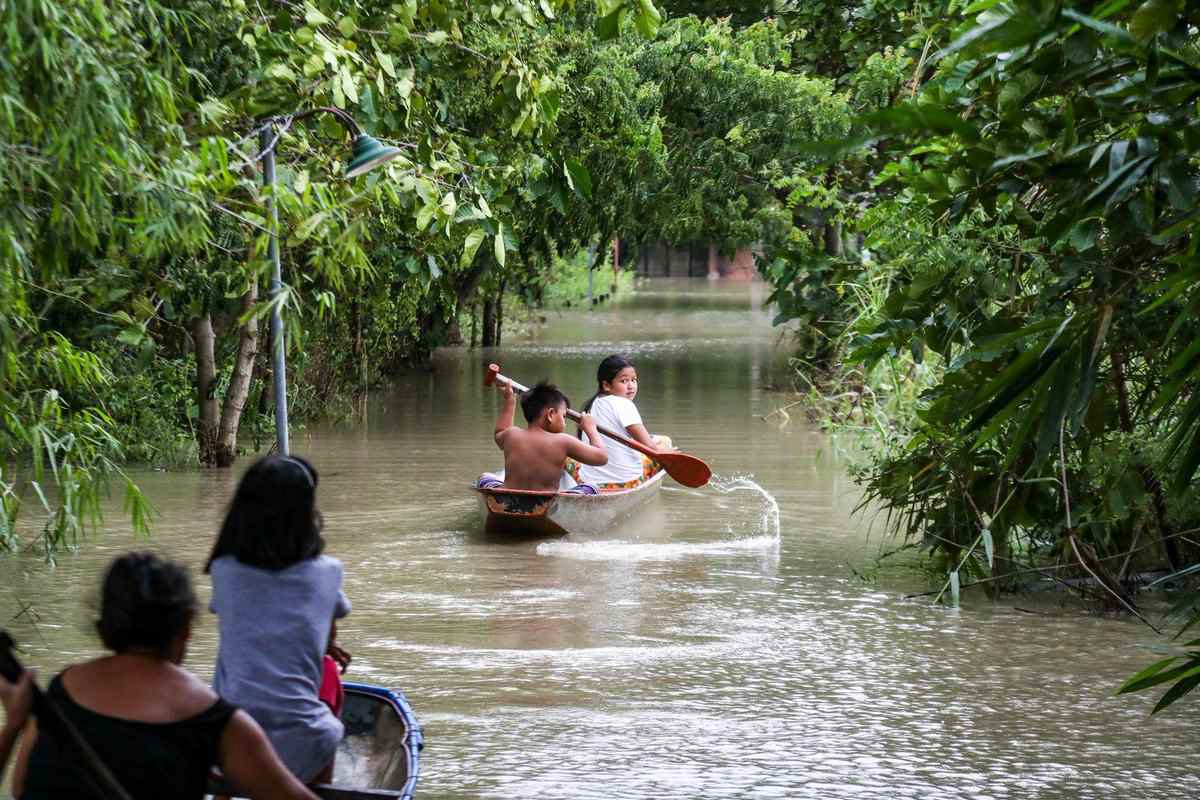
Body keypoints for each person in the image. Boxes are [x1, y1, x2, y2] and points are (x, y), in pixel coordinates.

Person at [4, 551, 318, 800]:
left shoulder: (60, 691)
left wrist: (14, 723)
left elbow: (19, 789)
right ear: (185, 628)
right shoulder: (215, 719)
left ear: (104, 629)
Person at [206, 455, 350, 785]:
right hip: (307, 736)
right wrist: (331, 645)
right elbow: (324, 627)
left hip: (229, 734)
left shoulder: (223, 570)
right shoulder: (328, 572)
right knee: (328, 698)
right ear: (307, 514)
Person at [478, 380, 608, 493]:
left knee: (485, 477)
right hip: (545, 504)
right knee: (592, 486)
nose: (564, 422)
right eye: (563, 416)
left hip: (508, 500)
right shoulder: (563, 441)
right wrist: (590, 429)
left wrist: (510, 401)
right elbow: (602, 457)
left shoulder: (512, 435)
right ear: (551, 414)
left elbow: (500, 432)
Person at [573, 355, 672, 490]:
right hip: (626, 482)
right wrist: (670, 453)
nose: (631, 386)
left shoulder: (592, 404)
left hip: (587, 481)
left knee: (570, 458)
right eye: (624, 381)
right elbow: (651, 448)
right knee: (664, 440)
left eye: (634, 380)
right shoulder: (624, 404)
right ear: (606, 385)